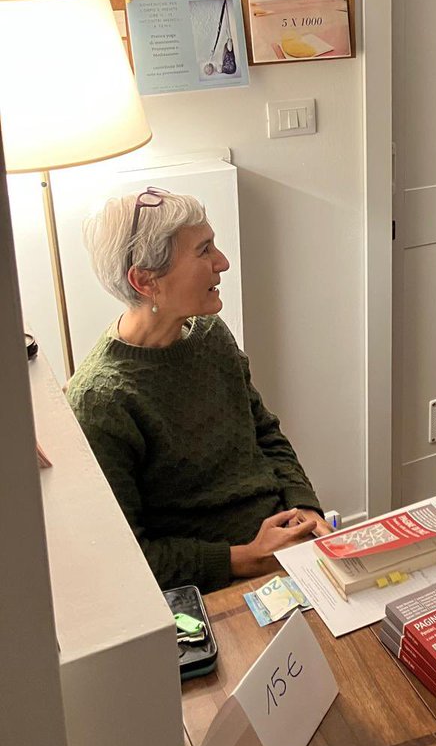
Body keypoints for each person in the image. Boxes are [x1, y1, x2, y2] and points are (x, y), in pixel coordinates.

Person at [68, 187, 330, 592]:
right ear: (145, 280)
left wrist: (305, 506)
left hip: (288, 545)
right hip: (215, 585)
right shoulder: (102, 400)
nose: (222, 263)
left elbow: (264, 433)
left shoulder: (210, 333)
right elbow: (131, 557)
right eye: (204, 250)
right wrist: (245, 558)